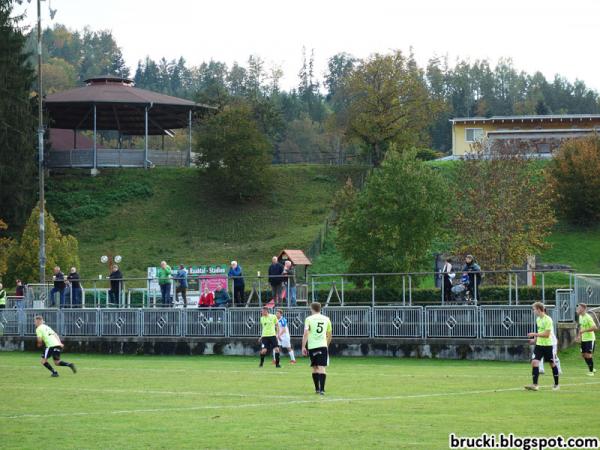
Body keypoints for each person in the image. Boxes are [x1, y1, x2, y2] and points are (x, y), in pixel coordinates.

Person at [525, 302, 559, 391]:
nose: (533, 311)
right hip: (539, 345)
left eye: (534, 309)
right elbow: (540, 331)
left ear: (539, 310)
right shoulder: (538, 319)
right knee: (534, 362)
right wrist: (534, 340)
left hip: (548, 346)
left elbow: (547, 334)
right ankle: (535, 385)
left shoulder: (548, 319)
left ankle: (556, 384)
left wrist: (534, 334)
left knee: (552, 364)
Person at [302, 302, 332, 395]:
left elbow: (306, 333)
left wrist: (303, 346)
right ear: (320, 309)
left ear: (312, 309)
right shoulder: (326, 319)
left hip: (312, 346)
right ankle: (322, 390)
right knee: (321, 367)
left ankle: (317, 389)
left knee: (315, 367)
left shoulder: (309, 319)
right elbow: (329, 335)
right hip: (322, 346)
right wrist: (326, 345)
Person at [576, 303, 597, 376]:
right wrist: (579, 336)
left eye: (579, 308)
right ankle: (592, 368)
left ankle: (591, 372)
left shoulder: (588, 317)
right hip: (584, 339)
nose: (577, 309)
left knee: (588, 355)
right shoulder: (580, 317)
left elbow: (595, 327)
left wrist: (584, 331)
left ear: (583, 309)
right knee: (583, 355)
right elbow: (581, 328)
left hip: (590, 339)